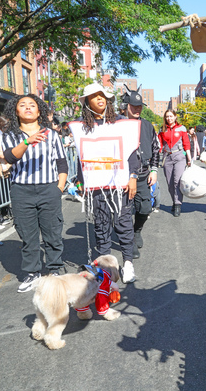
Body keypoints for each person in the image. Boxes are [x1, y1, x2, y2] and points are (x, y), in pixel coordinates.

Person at [71, 82, 139, 283]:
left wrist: (133, 177)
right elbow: (81, 157)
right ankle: (106, 268)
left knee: (124, 225)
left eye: (103, 95)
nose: (100, 99)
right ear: (87, 102)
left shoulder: (120, 124)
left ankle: (127, 264)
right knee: (101, 228)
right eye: (95, 96)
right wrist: (81, 181)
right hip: (97, 187)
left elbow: (132, 154)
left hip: (120, 186)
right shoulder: (83, 128)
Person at [1, 95, 68, 292]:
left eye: (32, 105)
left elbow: (62, 163)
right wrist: (27, 142)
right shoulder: (10, 136)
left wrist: (59, 187)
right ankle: (32, 273)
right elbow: (9, 157)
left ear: (39, 111)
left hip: (49, 189)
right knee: (27, 234)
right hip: (22, 190)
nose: (28, 108)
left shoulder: (52, 134)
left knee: (52, 231)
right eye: (22, 105)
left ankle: (55, 268)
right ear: (16, 111)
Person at [122, 86, 160, 258]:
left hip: (144, 174)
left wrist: (154, 169)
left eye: (139, 106)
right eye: (133, 106)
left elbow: (156, 148)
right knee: (124, 211)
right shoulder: (117, 124)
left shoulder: (147, 125)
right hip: (123, 174)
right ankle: (129, 241)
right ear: (126, 106)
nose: (137, 109)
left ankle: (137, 230)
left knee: (145, 208)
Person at [158, 109, 191, 217]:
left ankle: (178, 204)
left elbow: (186, 144)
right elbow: (159, 145)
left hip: (179, 156)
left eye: (171, 116)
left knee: (177, 181)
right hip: (167, 157)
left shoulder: (181, 128)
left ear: (175, 117)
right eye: (167, 116)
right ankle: (174, 200)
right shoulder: (162, 129)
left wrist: (189, 158)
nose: (169, 118)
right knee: (170, 183)